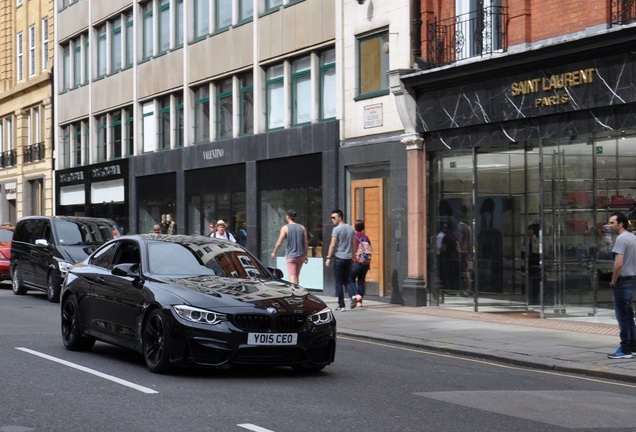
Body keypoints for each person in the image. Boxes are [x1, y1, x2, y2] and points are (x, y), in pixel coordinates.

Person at [607, 212, 636, 359]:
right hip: (632, 280)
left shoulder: (621, 238)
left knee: (622, 317)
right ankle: (633, 346)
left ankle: (624, 350)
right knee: (629, 315)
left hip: (622, 281)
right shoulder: (633, 237)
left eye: (612, 223)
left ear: (621, 224)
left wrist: (613, 281)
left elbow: (618, 264)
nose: (609, 225)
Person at [325, 209, 356, 311]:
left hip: (339, 258)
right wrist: (353, 255)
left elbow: (333, 245)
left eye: (334, 217)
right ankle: (353, 296)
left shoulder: (336, 229)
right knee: (347, 280)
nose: (332, 220)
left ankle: (341, 305)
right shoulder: (351, 228)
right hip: (348, 258)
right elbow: (353, 243)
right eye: (331, 218)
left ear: (340, 217)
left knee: (338, 282)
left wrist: (328, 257)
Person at [270, 209, 308, 285]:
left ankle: (295, 294)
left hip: (291, 256)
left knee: (292, 277)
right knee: (296, 276)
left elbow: (279, 242)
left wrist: (274, 252)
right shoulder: (302, 227)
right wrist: (306, 255)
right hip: (301, 256)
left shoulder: (285, 228)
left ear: (287, 217)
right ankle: (299, 293)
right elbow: (306, 243)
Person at [348, 219, 371, 308]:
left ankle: (356, 295)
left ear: (355, 227)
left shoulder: (353, 236)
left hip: (356, 262)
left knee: (350, 279)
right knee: (361, 281)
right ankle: (359, 303)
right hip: (365, 262)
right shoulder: (366, 237)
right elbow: (369, 250)